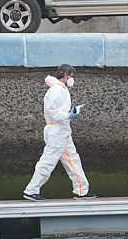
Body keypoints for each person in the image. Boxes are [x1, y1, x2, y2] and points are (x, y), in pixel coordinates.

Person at [23, 64, 95, 201]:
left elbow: (57, 111)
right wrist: (69, 115)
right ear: (66, 75)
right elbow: (52, 111)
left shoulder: (61, 89)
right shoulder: (57, 90)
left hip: (62, 131)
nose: (73, 79)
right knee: (48, 161)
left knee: (74, 161)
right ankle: (31, 190)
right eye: (72, 76)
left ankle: (81, 191)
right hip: (57, 131)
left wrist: (69, 114)